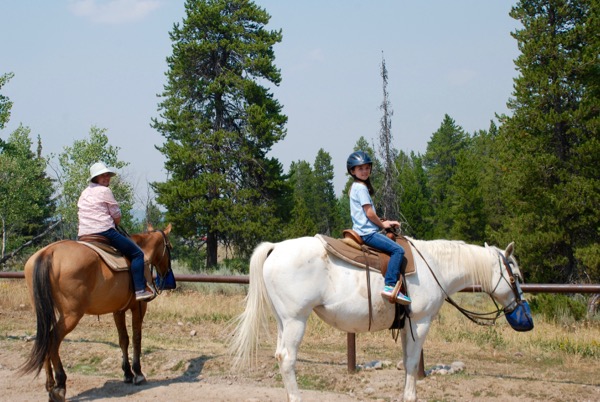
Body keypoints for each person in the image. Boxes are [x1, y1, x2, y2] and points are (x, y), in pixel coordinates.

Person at [77, 162, 154, 301]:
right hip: (104, 231)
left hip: (84, 234)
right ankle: (140, 290)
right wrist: (114, 221)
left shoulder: (84, 192)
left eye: (107, 175)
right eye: (102, 175)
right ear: (96, 178)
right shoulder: (105, 191)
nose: (106, 178)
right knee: (137, 254)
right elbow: (116, 216)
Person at [347, 151, 411, 305]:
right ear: (352, 171)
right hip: (367, 233)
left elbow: (367, 214)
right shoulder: (361, 188)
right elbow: (369, 213)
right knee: (398, 250)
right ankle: (390, 285)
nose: (364, 171)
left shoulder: (355, 187)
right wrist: (383, 225)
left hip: (362, 230)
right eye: (360, 169)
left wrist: (385, 221)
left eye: (367, 168)